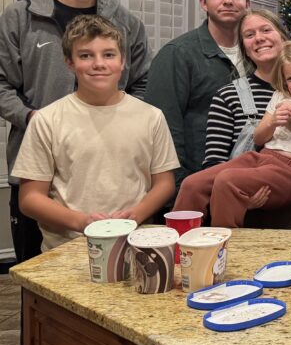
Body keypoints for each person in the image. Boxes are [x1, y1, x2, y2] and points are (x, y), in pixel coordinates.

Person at [0, 0, 149, 262]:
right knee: (37, 275)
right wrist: (31, 117)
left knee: (114, 271)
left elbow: (142, 80)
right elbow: (2, 82)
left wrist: (122, 116)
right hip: (37, 171)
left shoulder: (126, 22)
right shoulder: (20, 17)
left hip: (108, 170)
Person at [11, 15, 177, 252]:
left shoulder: (151, 117)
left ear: (123, 61)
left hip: (135, 244)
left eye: (108, 54)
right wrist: (83, 222)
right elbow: (29, 199)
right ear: (69, 62)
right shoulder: (47, 120)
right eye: (86, 55)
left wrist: (135, 215)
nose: (98, 64)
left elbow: (164, 183)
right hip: (67, 248)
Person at [175, 41, 291, 228]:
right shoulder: (279, 96)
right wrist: (273, 121)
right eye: (290, 79)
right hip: (259, 158)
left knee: (227, 181)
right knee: (192, 184)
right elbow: (259, 138)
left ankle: (224, 248)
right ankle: (178, 244)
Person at [147, 0, 254, 189]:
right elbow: (164, 130)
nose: (228, 1)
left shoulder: (257, 55)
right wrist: (180, 189)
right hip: (198, 184)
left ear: (247, 3)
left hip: (250, 184)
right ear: (203, 2)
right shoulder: (177, 55)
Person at [203, 9, 288, 168]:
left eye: (266, 30)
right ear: (245, 50)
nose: (259, 38)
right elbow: (213, 164)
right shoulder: (227, 96)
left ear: (283, 38)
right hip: (240, 190)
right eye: (249, 35)